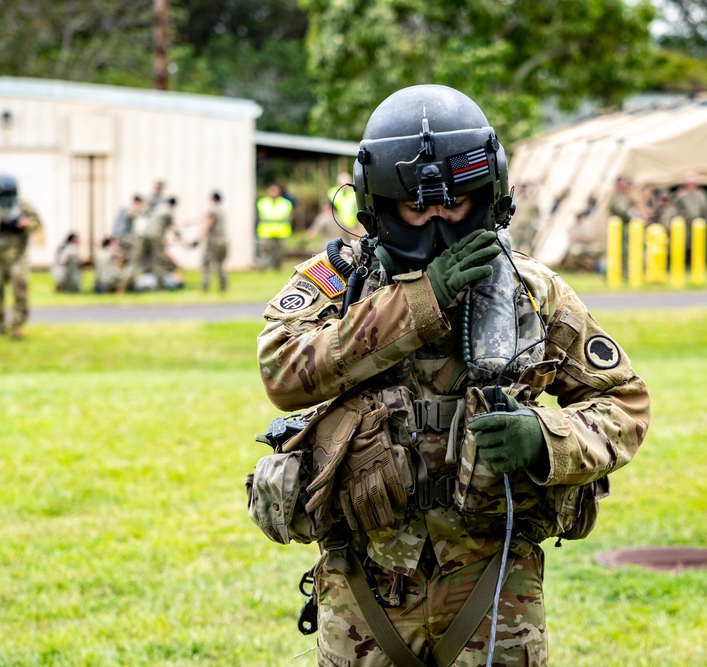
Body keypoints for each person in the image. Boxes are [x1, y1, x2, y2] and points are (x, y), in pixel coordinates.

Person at [252, 85, 650, 666]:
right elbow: (283, 370)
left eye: (455, 204)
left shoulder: (531, 291)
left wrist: (546, 440)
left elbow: (625, 402)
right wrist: (422, 298)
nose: (437, 223)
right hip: (364, 587)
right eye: (417, 208)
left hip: (494, 587)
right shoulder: (338, 283)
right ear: (379, 206)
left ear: (486, 198)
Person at [0, 174, 42, 339]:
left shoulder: (23, 206)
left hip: (17, 256)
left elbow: (37, 223)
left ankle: (16, 326)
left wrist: (24, 225)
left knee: (20, 288)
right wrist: (0, 225)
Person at [255, 183, 293, 270]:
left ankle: (277, 268)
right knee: (265, 251)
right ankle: (263, 267)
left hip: (281, 232)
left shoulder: (286, 203)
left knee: (279, 252)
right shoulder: (262, 202)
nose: (273, 193)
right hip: (266, 232)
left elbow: (288, 217)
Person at [200, 191, 228, 293]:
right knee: (220, 264)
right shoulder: (222, 211)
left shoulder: (212, 210)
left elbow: (208, 224)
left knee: (206, 263)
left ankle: (205, 286)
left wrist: (199, 238)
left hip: (213, 242)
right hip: (223, 241)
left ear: (213, 199)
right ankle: (223, 286)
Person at [112, 194, 145, 268]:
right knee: (124, 257)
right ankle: (121, 273)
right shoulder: (127, 208)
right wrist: (117, 237)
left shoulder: (127, 208)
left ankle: (123, 272)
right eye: (140, 204)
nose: (140, 207)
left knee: (125, 257)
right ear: (136, 202)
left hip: (124, 237)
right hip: (123, 237)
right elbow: (122, 224)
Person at [509, 182, 540, 256]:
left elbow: (537, 216)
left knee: (528, 246)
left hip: (528, 228)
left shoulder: (533, 202)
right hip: (518, 227)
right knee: (515, 245)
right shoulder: (517, 202)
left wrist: (535, 226)